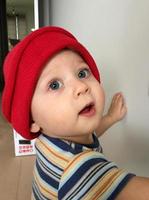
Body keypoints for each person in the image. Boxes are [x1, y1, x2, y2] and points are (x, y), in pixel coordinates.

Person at [1, 26, 149, 200]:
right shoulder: (80, 169)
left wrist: (110, 118)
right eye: (54, 85)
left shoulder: (51, 137)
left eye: (82, 73)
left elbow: (87, 134)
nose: (81, 86)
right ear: (32, 119)